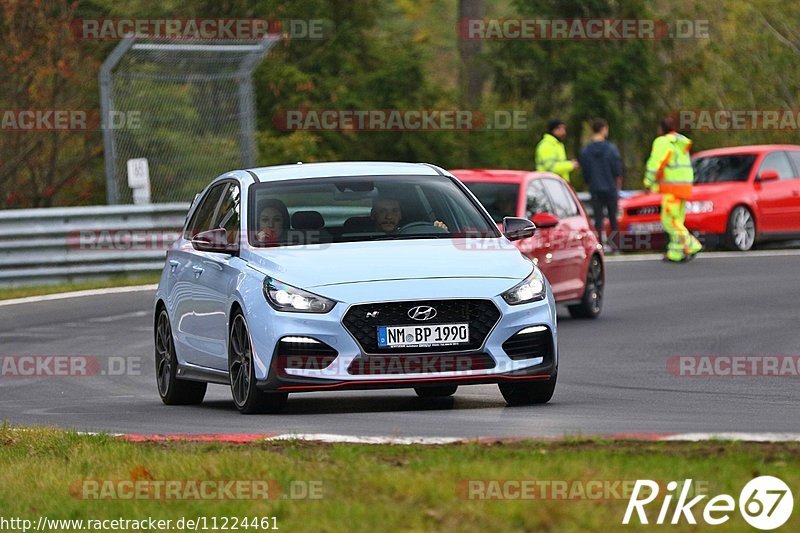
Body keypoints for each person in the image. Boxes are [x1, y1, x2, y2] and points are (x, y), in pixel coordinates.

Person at [643, 117, 703, 263]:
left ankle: (691, 244)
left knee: (669, 221)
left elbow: (655, 164)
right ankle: (675, 253)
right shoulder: (680, 143)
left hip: (672, 189)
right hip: (683, 188)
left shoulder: (663, 142)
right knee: (677, 220)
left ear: (661, 129)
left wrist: (648, 182)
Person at [579, 118, 623, 248]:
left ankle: (599, 245)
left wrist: (589, 182)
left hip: (595, 188)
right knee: (613, 218)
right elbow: (617, 170)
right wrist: (618, 187)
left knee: (598, 220)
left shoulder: (586, 151)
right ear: (603, 129)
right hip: (610, 188)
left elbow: (585, 171)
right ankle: (615, 245)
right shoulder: (611, 149)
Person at [370, 196, 448, 233]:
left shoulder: (418, 237)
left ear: (400, 215)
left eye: (394, 211)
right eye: (382, 211)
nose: (389, 217)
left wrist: (440, 231)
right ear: (373, 215)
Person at [535, 119, 579, 183]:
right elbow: (551, 167)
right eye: (561, 129)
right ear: (554, 130)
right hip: (548, 184)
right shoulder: (547, 145)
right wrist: (570, 165)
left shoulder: (558, 145)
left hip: (556, 184)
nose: (564, 132)